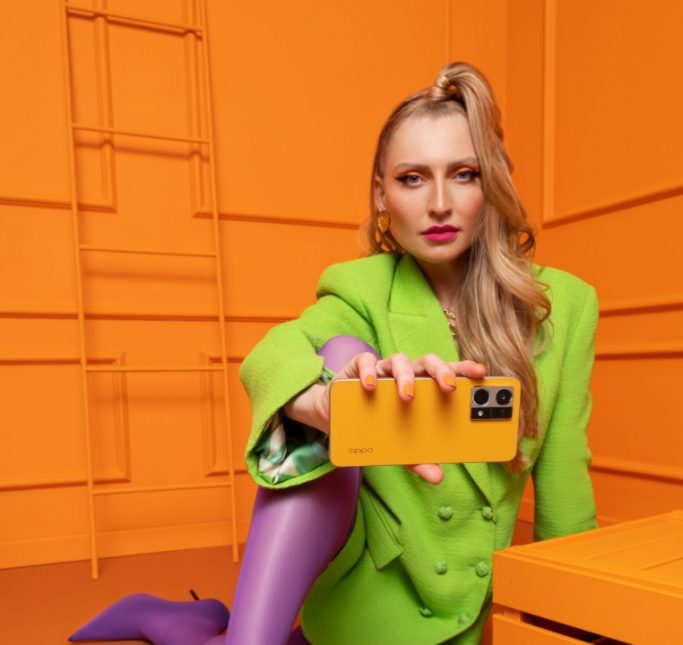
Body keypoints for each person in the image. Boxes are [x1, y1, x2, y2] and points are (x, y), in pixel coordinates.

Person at [70, 61, 598, 645]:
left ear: (492, 182)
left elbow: (566, 503)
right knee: (340, 355)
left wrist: (569, 630)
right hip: (367, 589)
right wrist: (329, 406)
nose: (440, 203)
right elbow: (273, 353)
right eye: (413, 178)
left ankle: (188, 623)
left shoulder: (565, 305)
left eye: (464, 174)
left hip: (467, 614)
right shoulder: (361, 287)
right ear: (381, 193)